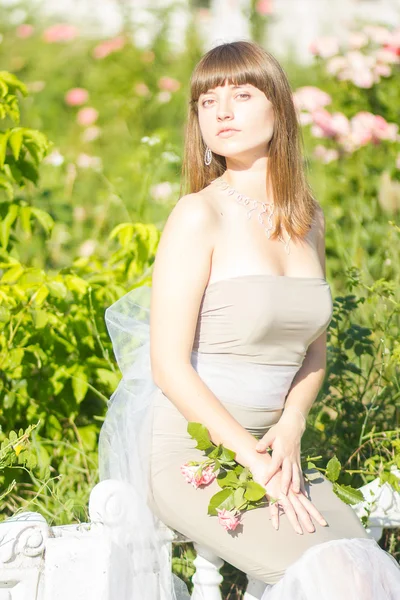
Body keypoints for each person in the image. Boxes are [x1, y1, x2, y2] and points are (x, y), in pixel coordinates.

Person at [98, 40, 400, 600]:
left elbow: (314, 348)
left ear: (279, 109)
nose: (223, 112)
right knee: (335, 579)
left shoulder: (309, 220)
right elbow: (167, 365)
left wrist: (291, 426)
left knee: (364, 570)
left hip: (275, 448)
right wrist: (248, 455)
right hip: (197, 453)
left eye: (241, 94)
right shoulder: (198, 214)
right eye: (207, 102)